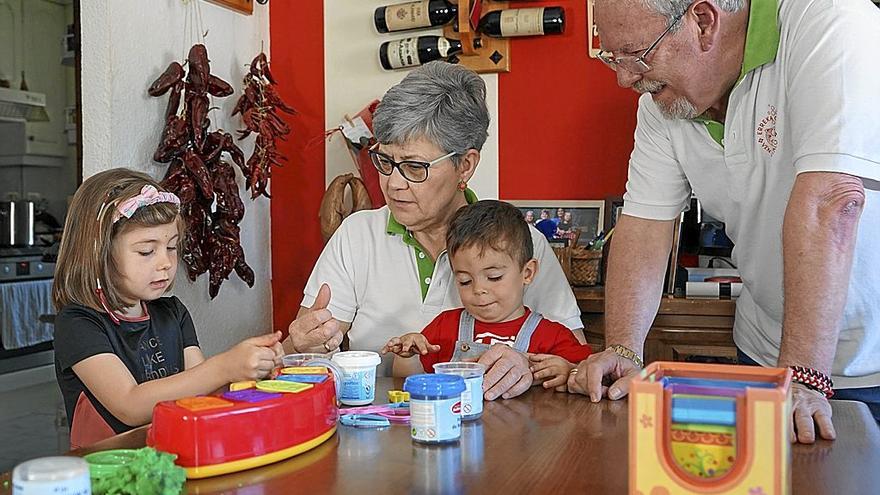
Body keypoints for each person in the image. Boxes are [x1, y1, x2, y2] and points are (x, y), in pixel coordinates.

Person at [570, 0, 880, 443]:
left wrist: (805, 375)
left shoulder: (831, 22)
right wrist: (623, 349)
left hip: (867, 357)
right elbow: (644, 224)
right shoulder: (662, 104)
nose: (626, 79)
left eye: (638, 55)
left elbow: (831, 201)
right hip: (766, 352)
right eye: (613, 59)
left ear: (703, 22)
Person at [284, 61, 583, 401]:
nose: (393, 184)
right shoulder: (357, 235)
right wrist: (299, 346)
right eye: (385, 161)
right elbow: (296, 358)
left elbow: (574, 366)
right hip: (381, 429)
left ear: (465, 165)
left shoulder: (520, 243)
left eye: (414, 167)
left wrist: (525, 367)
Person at [53, 169, 284, 448]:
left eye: (172, 247)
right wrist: (224, 367)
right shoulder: (78, 324)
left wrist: (252, 366)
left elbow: (203, 392)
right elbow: (129, 404)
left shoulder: (173, 313)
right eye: (146, 251)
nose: (165, 262)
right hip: (110, 475)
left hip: (173, 459)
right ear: (98, 251)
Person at [381, 200, 591, 392]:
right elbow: (408, 383)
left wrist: (568, 372)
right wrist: (408, 356)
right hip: (458, 430)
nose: (478, 289)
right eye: (464, 281)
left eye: (494, 277)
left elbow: (589, 376)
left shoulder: (552, 336)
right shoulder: (444, 327)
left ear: (527, 273)